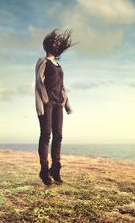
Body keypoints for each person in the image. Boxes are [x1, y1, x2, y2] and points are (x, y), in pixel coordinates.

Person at [34, 28, 78, 186]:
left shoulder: (59, 66)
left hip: (59, 103)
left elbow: (62, 86)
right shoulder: (43, 61)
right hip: (47, 103)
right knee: (46, 135)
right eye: (52, 42)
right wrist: (43, 101)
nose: (55, 44)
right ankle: (44, 170)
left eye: (56, 42)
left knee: (58, 136)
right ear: (46, 45)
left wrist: (67, 104)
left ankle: (55, 169)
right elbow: (39, 82)